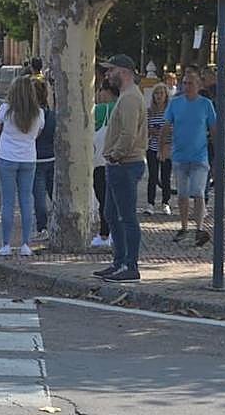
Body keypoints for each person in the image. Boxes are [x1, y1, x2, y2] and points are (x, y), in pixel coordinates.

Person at [95, 54, 149, 283]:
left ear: (124, 71)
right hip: (119, 164)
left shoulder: (129, 99)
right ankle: (119, 262)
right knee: (110, 214)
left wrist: (115, 155)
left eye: (111, 70)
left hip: (125, 164)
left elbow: (128, 134)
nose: (107, 75)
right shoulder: (127, 96)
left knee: (126, 216)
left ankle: (130, 265)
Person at [0, 74, 44, 257]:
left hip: (7, 157)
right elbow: (37, 134)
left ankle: (6, 244)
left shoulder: (6, 109)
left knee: (8, 201)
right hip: (29, 158)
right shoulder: (38, 113)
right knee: (26, 200)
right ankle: (26, 244)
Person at [163, 69, 217, 248]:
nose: (187, 86)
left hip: (199, 156)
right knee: (182, 193)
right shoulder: (175, 103)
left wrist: (217, 152)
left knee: (198, 191)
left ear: (199, 85)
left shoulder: (206, 104)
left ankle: (199, 228)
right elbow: (166, 125)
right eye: (184, 83)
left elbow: (214, 128)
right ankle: (184, 226)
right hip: (179, 155)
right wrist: (163, 146)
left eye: (190, 83)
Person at [91, 84, 116, 249]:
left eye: (101, 90)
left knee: (103, 199)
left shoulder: (99, 110)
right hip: (118, 160)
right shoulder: (122, 107)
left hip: (100, 161)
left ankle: (105, 233)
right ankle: (114, 232)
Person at [144, 83, 174, 216]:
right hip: (152, 148)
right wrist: (152, 131)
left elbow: (174, 129)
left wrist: (164, 133)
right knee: (153, 176)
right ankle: (150, 203)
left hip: (167, 148)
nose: (159, 96)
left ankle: (165, 203)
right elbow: (145, 128)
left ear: (166, 96)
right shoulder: (149, 112)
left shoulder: (170, 111)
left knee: (166, 177)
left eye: (161, 93)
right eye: (156, 93)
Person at [32, 78, 56, 241]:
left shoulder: (32, 116)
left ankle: (42, 228)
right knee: (53, 193)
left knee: (39, 196)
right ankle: (55, 223)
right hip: (51, 157)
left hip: (36, 159)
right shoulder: (51, 114)